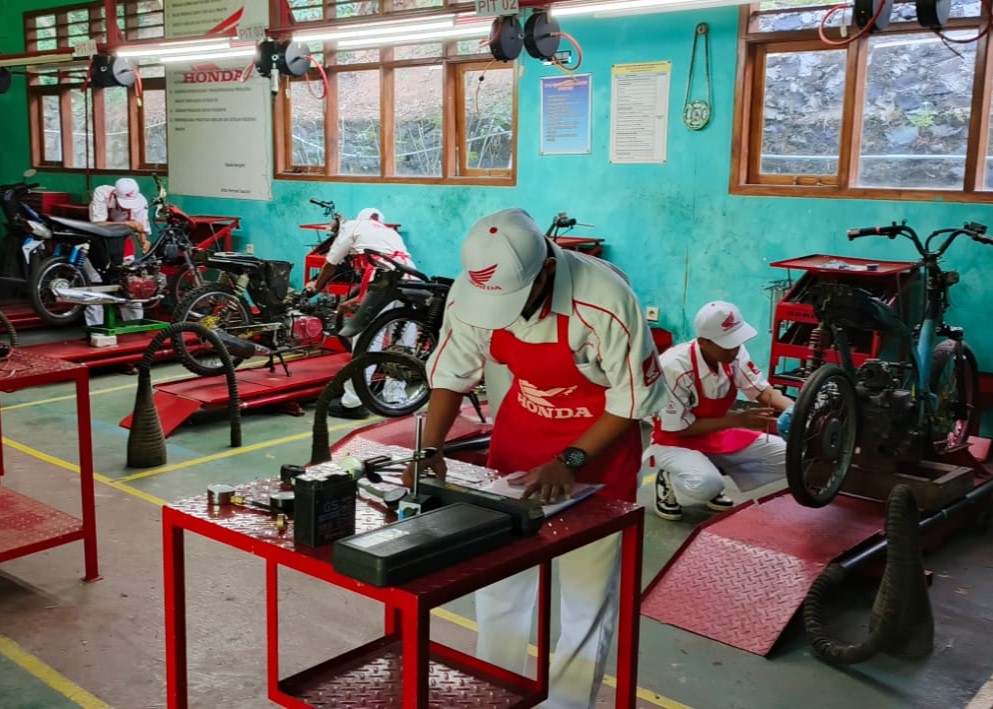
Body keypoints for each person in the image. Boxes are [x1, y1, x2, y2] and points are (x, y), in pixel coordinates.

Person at [407, 208, 665, 708]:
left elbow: (634, 402)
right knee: (500, 581)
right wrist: (430, 448)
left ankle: (568, 704)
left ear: (547, 269)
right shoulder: (472, 290)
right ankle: (494, 691)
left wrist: (569, 462)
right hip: (521, 435)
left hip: (600, 448)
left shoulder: (605, 300)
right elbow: (452, 372)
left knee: (585, 598)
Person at [642, 300, 794, 521]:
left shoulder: (734, 354)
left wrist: (795, 409)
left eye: (737, 341)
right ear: (704, 342)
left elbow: (761, 390)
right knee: (706, 484)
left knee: (791, 456)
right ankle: (671, 481)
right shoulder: (673, 367)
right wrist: (739, 420)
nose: (735, 349)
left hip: (717, 433)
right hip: (673, 439)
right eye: (727, 344)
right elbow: (680, 429)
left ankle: (708, 470)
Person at [304, 207, 415, 419]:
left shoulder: (352, 226)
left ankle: (353, 402)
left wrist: (316, 287)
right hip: (410, 279)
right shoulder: (390, 233)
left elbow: (330, 264)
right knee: (403, 339)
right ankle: (394, 396)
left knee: (366, 339)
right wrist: (353, 303)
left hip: (384, 279)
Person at [87, 177, 152, 327]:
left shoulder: (140, 202)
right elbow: (97, 223)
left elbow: (141, 228)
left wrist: (144, 241)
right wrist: (127, 224)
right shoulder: (101, 193)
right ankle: (95, 328)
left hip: (123, 245)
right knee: (94, 288)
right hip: (97, 245)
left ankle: (133, 326)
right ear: (115, 194)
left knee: (131, 287)